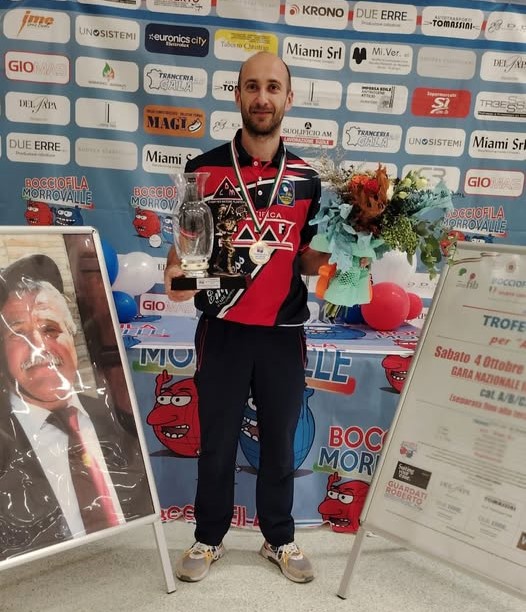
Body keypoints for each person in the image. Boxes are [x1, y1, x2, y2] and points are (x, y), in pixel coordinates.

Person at [164, 52, 330, 583]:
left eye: (273, 87)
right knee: (216, 442)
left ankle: (278, 538)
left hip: (283, 333)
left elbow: (305, 256)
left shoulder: (307, 178)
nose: (262, 98)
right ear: (237, 95)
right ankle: (208, 537)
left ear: (289, 98)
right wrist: (180, 274)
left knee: (279, 443)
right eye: (252, 87)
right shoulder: (203, 170)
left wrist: (347, 254)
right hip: (223, 331)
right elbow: (183, 258)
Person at [0, 253, 152, 561]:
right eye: (18, 333)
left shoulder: (119, 418)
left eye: (50, 329)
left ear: (72, 335)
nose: (39, 346)